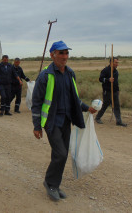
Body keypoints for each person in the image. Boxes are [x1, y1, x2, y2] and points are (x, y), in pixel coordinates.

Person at [31, 41, 97, 201]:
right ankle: (50, 183)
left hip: (66, 120)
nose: (64, 56)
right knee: (60, 154)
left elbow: (73, 98)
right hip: (51, 121)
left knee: (60, 154)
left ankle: (55, 184)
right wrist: (37, 126)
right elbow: (37, 102)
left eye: (66, 53)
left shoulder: (70, 73)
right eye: (61, 53)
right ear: (52, 55)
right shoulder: (45, 75)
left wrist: (87, 108)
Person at [95, 58, 127, 127]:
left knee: (117, 105)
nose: (117, 64)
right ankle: (97, 118)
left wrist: (118, 90)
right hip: (107, 91)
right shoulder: (105, 70)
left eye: (118, 62)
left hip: (115, 91)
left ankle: (119, 121)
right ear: (111, 63)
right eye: (116, 62)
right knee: (105, 105)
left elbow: (116, 82)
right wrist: (108, 79)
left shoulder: (116, 72)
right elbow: (100, 79)